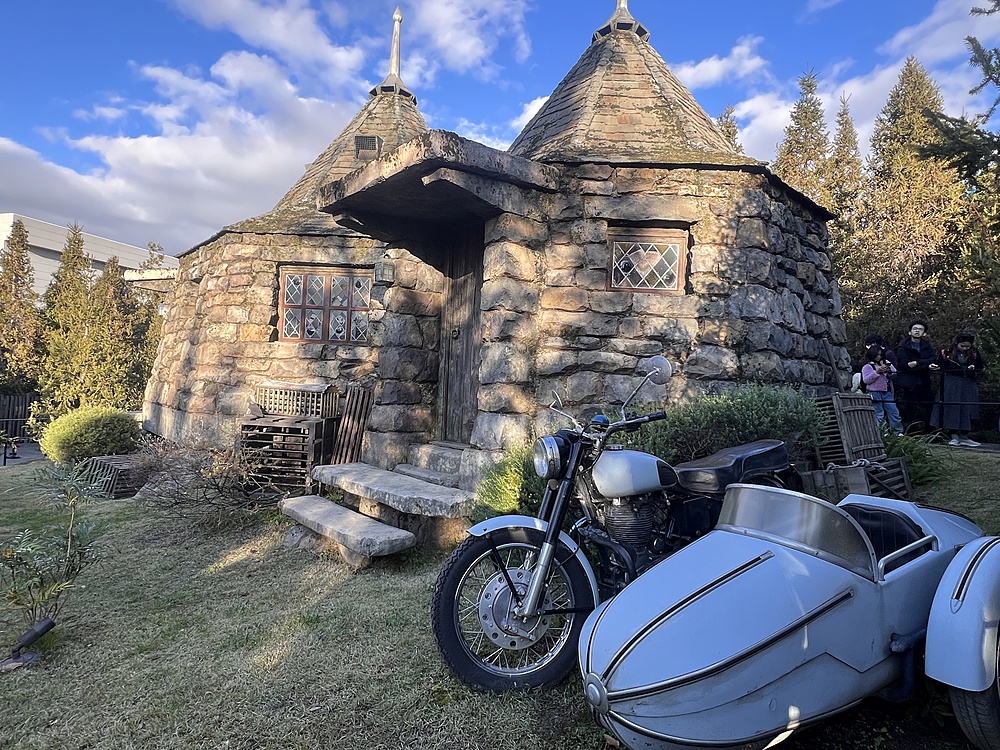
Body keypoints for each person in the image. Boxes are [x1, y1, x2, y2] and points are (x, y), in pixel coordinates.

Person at [931, 332, 985, 447]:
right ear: (957, 344)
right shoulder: (946, 353)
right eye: (962, 346)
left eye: (967, 346)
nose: (965, 348)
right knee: (952, 407)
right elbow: (940, 365)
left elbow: (980, 366)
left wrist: (974, 367)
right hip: (951, 382)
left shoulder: (974, 353)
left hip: (968, 382)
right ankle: (953, 436)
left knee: (968, 407)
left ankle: (964, 436)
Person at [895, 320, 938, 432]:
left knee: (930, 405)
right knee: (911, 408)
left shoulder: (926, 346)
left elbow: (932, 359)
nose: (917, 331)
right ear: (910, 332)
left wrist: (917, 363)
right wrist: (925, 366)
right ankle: (911, 432)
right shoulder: (903, 347)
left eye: (920, 329)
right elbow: (904, 365)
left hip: (924, 381)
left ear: (924, 333)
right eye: (915, 329)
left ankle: (929, 431)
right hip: (909, 383)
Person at [862, 344, 903, 435]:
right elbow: (866, 380)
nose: (878, 357)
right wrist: (877, 372)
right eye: (876, 355)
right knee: (878, 414)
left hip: (887, 392)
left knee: (894, 411)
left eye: (880, 355)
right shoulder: (867, 366)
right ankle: (882, 433)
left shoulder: (886, 362)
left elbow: (895, 373)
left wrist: (889, 370)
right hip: (874, 392)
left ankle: (897, 432)